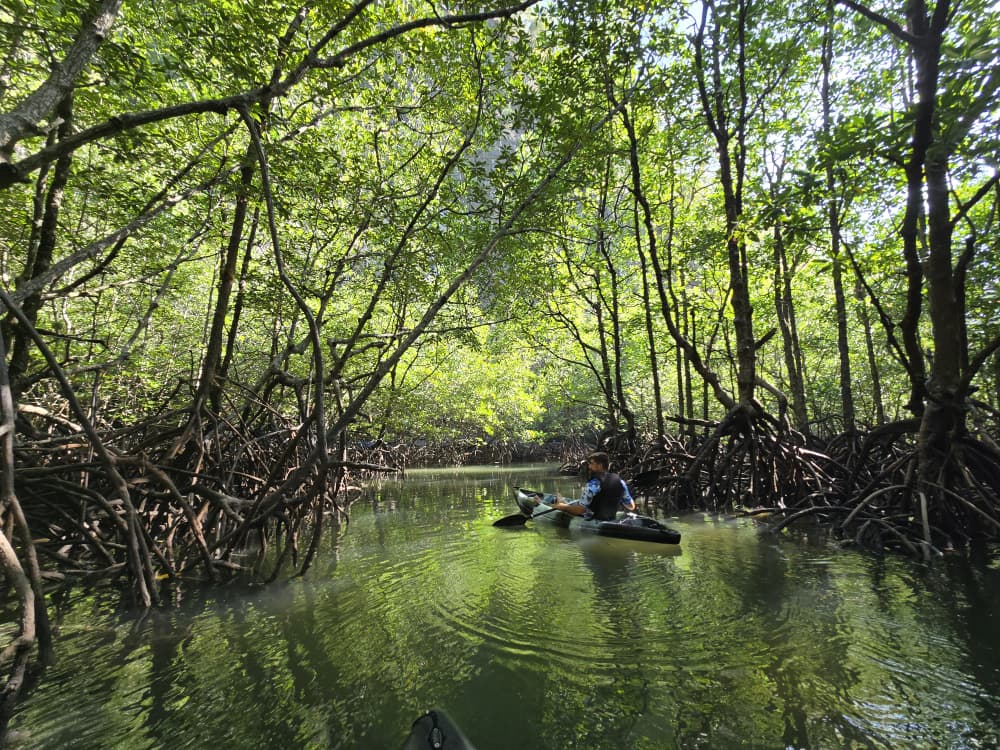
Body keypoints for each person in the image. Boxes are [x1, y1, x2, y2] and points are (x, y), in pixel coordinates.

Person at [548, 451, 635, 521]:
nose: (589, 467)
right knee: (568, 503)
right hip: (611, 518)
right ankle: (562, 502)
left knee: (564, 505)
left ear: (600, 465)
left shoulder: (593, 484)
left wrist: (561, 506)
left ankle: (561, 503)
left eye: (591, 463)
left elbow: (579, 510)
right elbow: (631, 506)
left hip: (594, 519)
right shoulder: (621, 482)